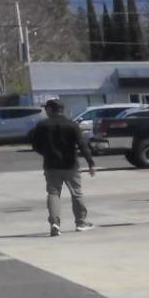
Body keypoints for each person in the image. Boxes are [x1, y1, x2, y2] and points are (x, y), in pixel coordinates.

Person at [29, 98, 97, 236]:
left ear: (50, 110)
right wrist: (91, 163)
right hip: (71, 165)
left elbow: (35, 145)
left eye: (46, 109)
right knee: (76, 193)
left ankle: (55, 223)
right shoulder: (71, 125)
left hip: (51, 165)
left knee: (53, 193)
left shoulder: (42, 125)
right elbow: (82, 145)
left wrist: (46, 153)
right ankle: (80, 222)